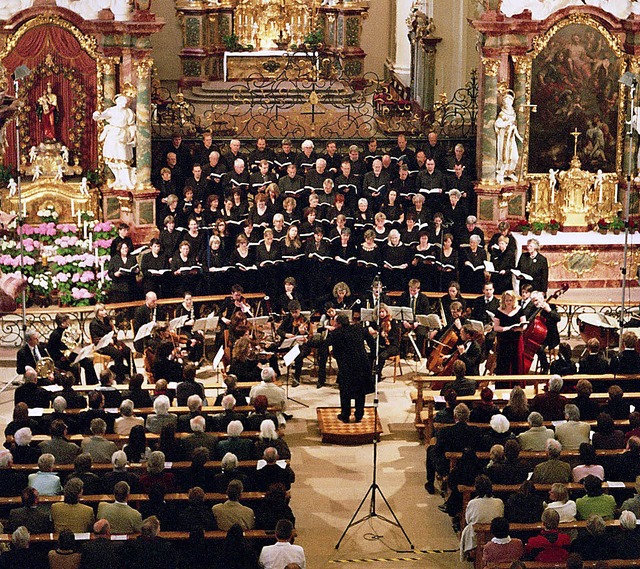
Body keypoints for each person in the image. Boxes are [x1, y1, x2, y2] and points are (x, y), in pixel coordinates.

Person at [326, 313, 373, 423]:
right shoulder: (360, 328)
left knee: (345, 391)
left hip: (347, 366)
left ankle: (345, 415)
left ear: (338, 324)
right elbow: (371, 342)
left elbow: (327, 345)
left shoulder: (337, 333)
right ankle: (359, 415)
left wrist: (307, 342)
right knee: (360, 391)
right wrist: (371, 357)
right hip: (362, 364)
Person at [92, 94, 136, 190]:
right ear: (117, 101)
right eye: (122, 101)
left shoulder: (129, 113)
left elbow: (132, 125)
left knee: (123, 160)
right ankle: (118, 179)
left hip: (122, 135)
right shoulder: (111, 110)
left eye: (125, 101)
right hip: (112, 134)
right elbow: (100, 117)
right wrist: (96, 115)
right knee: (111, 159)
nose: (124, 103)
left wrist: (132, 136)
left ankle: (127, 181)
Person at [460, 475, 504, 561]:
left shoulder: (473, 503)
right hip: (493, 532)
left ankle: (471, 552)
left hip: (476, 533)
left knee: (469, 528)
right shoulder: (499, 502)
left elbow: (468, 520)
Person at [493, 290, 526, 375]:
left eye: (510, 300)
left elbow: (524, 325)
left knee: (516, 363)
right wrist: (507, 328)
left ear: (514, 300)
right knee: (503, 364)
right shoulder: (499, 311)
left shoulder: (519, 310)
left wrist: (519, 329)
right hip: (504, 341)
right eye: (506, 300)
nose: (508, 302)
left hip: (516, 340)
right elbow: (496, 327)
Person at [495, 90, 522, 180]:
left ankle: (510, 172)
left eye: (509, 101)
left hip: (511, 138)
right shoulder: (502, 114)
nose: (508, 103)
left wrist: (520, 138)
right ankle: (501, 173)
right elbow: (497, 124)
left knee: (515, 157)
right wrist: (506, 124)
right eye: (506, 102)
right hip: (504, 138)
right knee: (504, 157)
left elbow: (514, 128)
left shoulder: (513, 113)